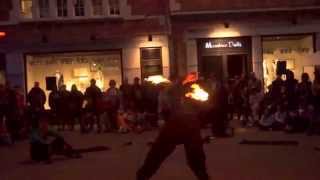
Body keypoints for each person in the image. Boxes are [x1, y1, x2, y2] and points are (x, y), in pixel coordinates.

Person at [137, 77, 210, 180]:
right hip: (178, 124)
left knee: (195, 159)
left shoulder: (187, 92)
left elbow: (203, 107)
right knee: (157, 153)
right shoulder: (172, 92)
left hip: (186, 125)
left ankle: (142, 176)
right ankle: (142, 176)